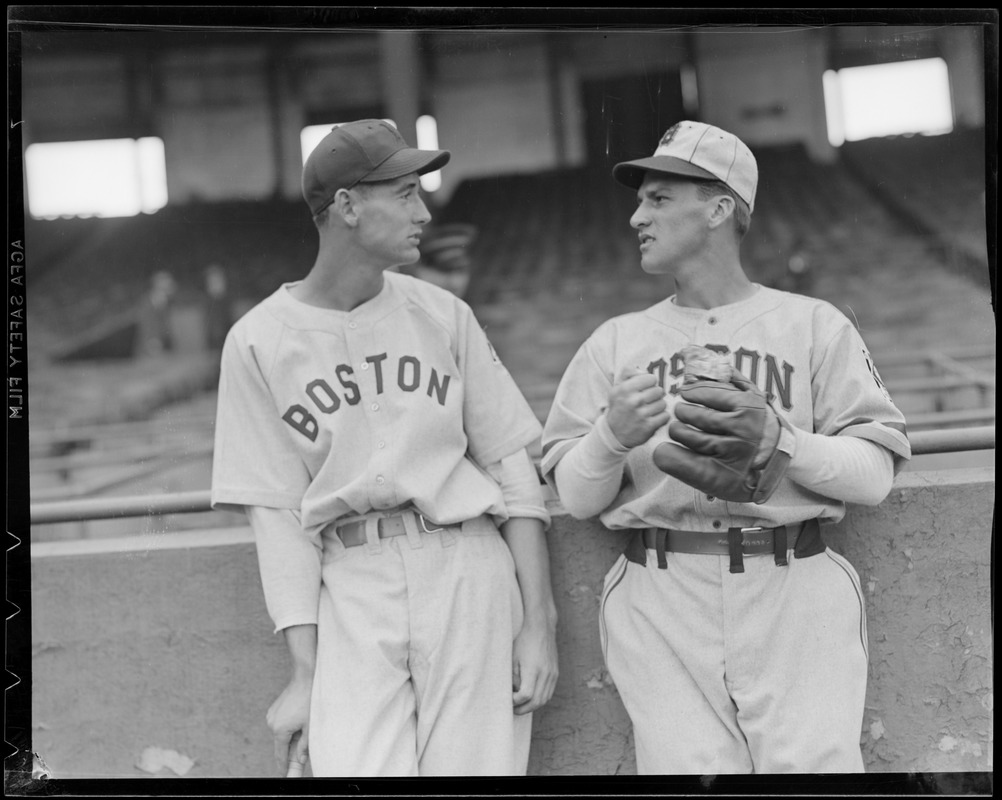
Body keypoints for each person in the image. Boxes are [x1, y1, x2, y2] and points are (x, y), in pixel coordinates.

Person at [540, 120, 911, 775]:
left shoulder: (815, 325)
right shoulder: (615, 341)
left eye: (657, 199)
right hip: (659, 588)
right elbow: (573, 494)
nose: (635, 218)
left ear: (718, 209)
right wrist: (611, 436)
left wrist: (780, 440)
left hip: (793, 582)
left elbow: (874, 474)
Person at [211, 119, 558, 778]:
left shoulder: (442, 313)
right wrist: (305, 672)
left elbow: (515, 474)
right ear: (346, 206)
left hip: (465, 566)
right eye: (403, 194)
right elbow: (278, 518)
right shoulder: (257, 340)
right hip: (351, 581)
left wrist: (538, 625)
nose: (423, 212)